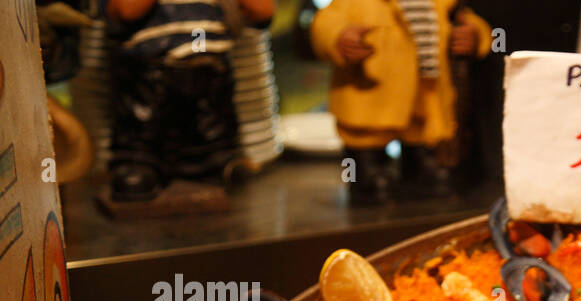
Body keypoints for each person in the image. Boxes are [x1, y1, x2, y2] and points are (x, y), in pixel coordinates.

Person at [311, 0, 492, 202]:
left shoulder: (443, 3)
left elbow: (472, 22)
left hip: (424, 91)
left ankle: (420, 170)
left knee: (423, 138)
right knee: (366, 141)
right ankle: (370, 174)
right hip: (372, 92)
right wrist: (338, 39)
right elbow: (325, 23)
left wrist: (475, 36)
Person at [104, 0, 274, 202]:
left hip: (205, 53)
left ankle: (216, 158)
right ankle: (140, 161)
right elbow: (126, 11)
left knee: (211, 113)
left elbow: (262, 11)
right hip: (151, 64)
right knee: (144, 119)